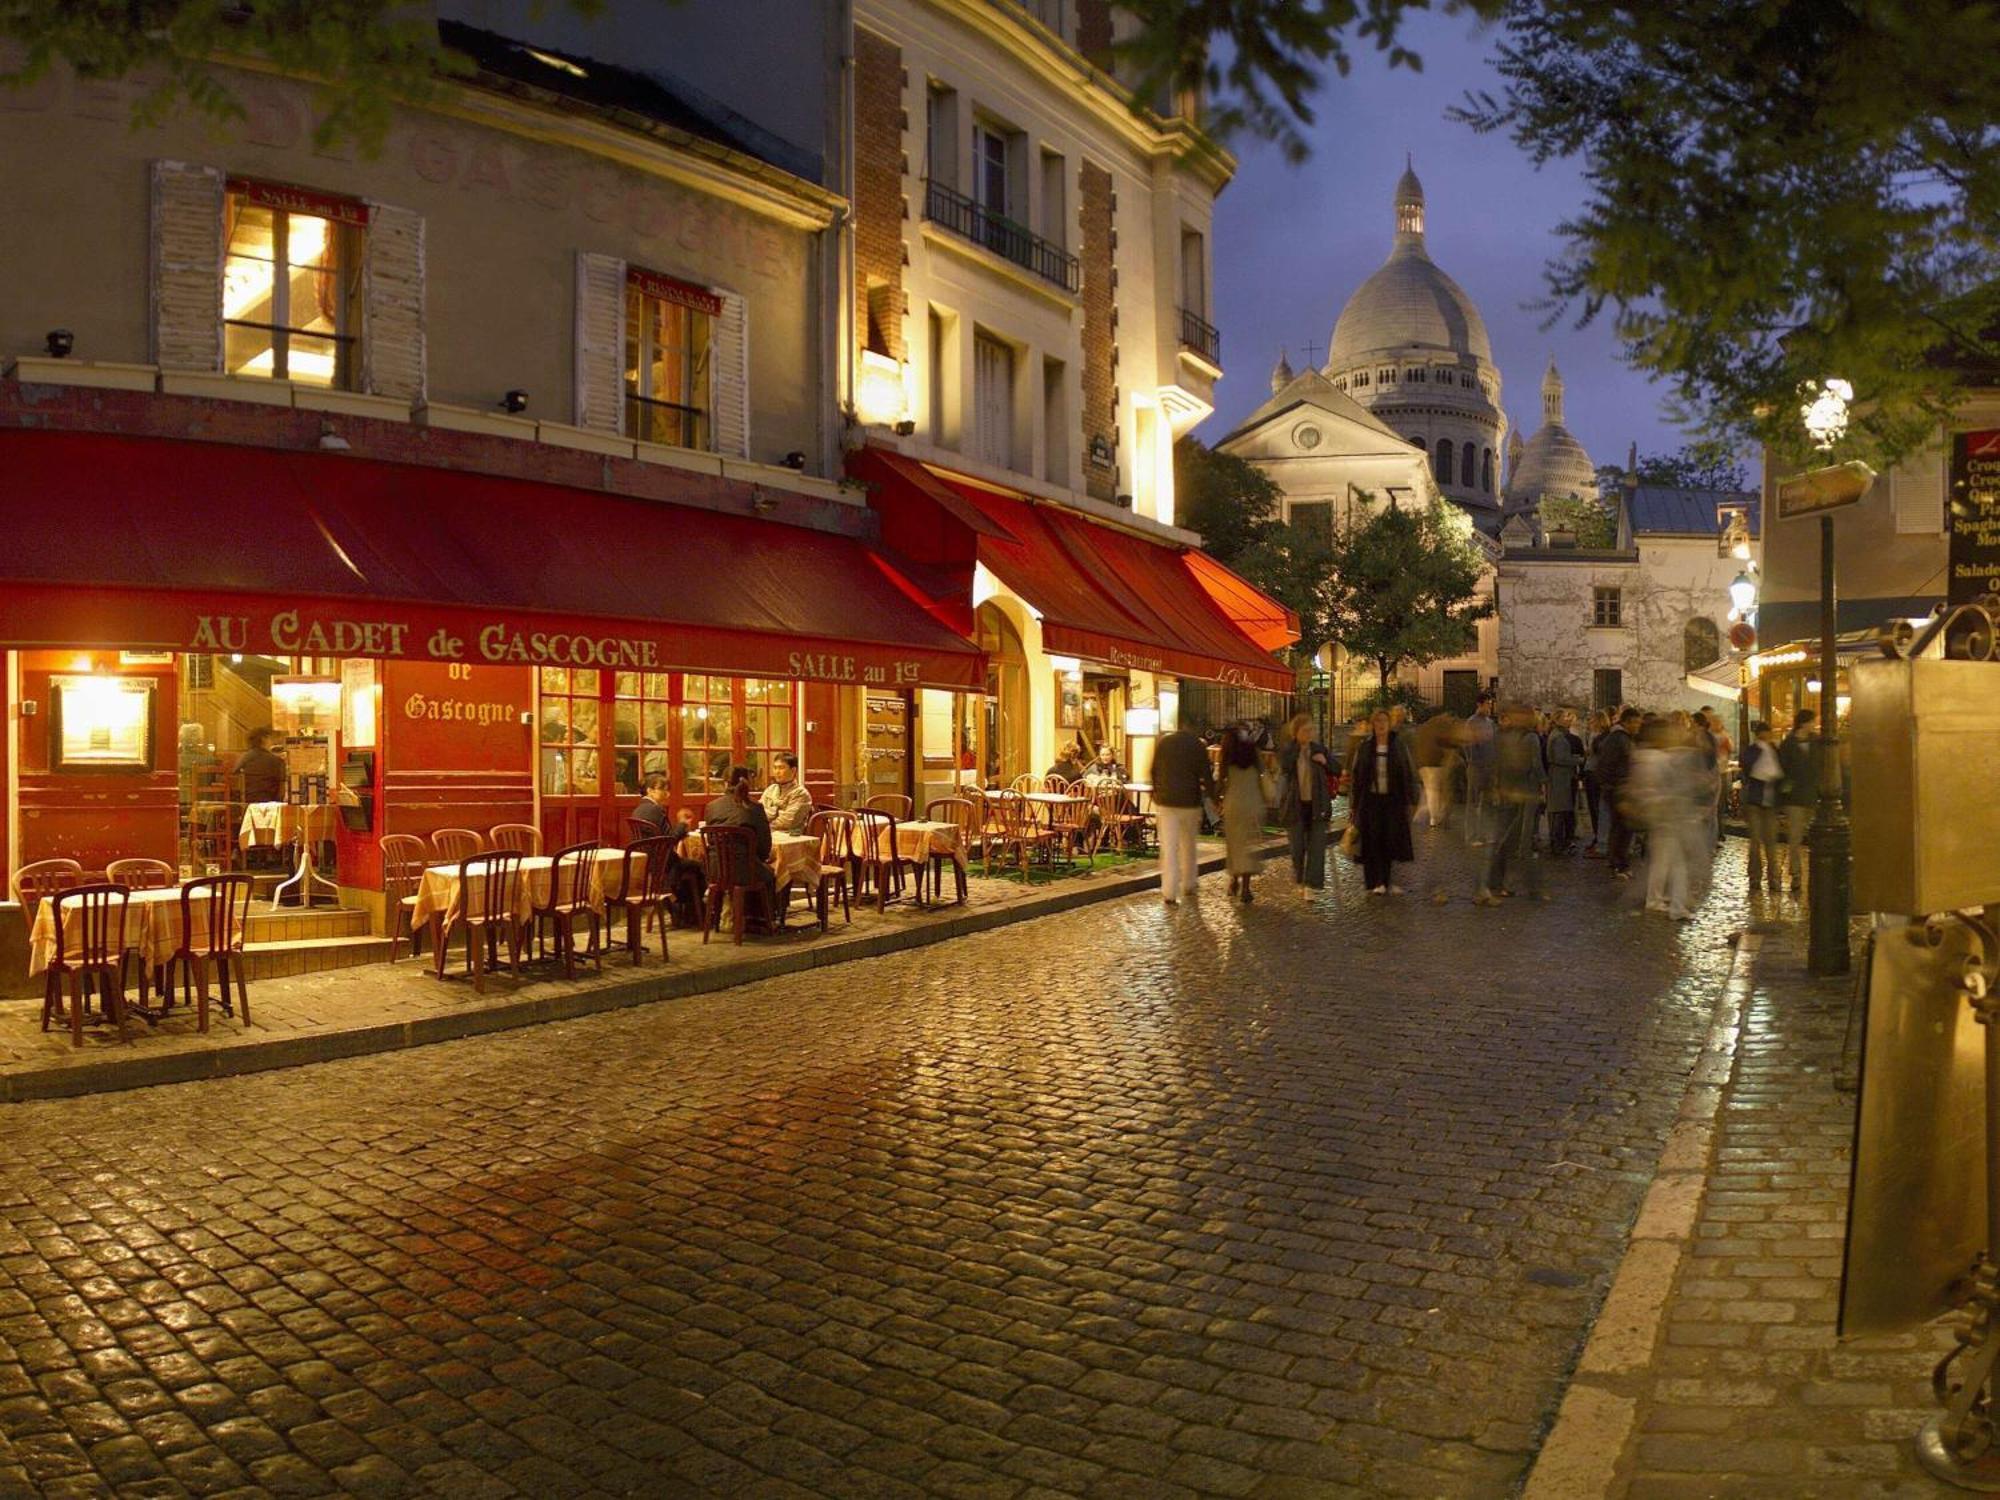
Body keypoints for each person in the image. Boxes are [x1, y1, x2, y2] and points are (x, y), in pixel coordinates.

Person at [1629, 717, 1706, 920]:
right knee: (1678, 863)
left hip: (1658, 815)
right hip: (1666, 815)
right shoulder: (1657, 759)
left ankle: (1655, 899)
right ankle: (1676, 906)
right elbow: (1663, 786)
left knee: (1662, 862)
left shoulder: (1645, 756)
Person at [1476, 706, 1548, 904]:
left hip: (1508, 793)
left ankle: (1496, 884)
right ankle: (1532, 889)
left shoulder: (1503, 737)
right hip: (1523, 794)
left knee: (1506, 840)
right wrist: (1543, 786)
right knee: (1521, 841)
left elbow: (1495, 764)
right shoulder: (1528, 738)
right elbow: (1535, 765)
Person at [1346, 709, 1418, 895]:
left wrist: (1412, 798)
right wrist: (1354, 804)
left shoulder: (1398, 745)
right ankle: (1375, 881)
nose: (1381, 724)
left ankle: (1386, 880)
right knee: (1373, 840)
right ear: (1373, 724)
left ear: (1389, 723)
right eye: (1377, 721)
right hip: (1371, 800)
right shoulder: (1366, 747)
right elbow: (1356, 775)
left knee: (1389, 839)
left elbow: (1408, 771)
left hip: (1392, 800)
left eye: (1384, 720)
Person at [1150, 720, 1215, 905]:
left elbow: (1153, 770)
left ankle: (1169, 891)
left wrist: (1156, 790)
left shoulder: (1163, 743)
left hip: (1167, 801)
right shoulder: (1197, 745)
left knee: (1169, 847)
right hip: (1190, 802)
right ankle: (1189, 883)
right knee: (1189, 845)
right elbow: (1207, 776)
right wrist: (1213, 797)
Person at [704, 766, 779, 915]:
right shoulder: (755, 808)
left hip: (715, 870)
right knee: (770, 872)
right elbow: (765, 847)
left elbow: (710, 841)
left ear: (725, 783)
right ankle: (763, 918)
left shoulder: (711, 807)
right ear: (748, 782)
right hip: (746, 871)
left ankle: (718, 915)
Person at [1275, 713, 1336, 892]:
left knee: (1316, 847)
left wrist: (1324, 761)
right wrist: (1297, 751)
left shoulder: (1319, 749)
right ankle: (1300, 877)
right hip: (1295, 805)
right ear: (1296, 732)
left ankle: (1311, 884)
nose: (1309, 734)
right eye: (1305, 730)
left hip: (1317, 804)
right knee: (1297, 847)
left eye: (1311, 730)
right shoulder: (1288, 750)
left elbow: (1336, 768)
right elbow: (1284, 767)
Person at [1219, 727, 1265, 903]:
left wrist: (1216, 798)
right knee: (1247, 845)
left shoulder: (1227, 757)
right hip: (1252, 803)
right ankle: (1246, 887)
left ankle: (1234, 880)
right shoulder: (1253, 754)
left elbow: (1221, 780)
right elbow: (1263, 774)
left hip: (1234, 804)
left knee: (1234, 845)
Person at [1596, 708, 1642, 879]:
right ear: (1627, 722)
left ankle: (1618, 861)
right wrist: (1610, 785)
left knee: (1622, 827)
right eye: (1636, 723)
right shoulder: (1618, 739)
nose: (1638, 726)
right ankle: (1618, 863)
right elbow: (1607, 764)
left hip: (1620, 787)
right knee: (1621, 827)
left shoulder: (1623, 738)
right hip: (1618, 788)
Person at [1777, 710, 1818, 896]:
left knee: (1814, 838)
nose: (1815, 724)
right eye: (1812, 721)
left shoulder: (1817, 741)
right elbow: (1782, 769)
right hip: (1794, 798)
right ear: (1804, 723)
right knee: (1795, 837)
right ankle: (1796, 874)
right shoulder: (1788, 744)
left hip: (1812, 796)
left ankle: (1812, 874)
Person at [1740, 720, 1784, 893]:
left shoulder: (1773, 750)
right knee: (1757, 842)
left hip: (1769, 802)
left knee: (1770, 843)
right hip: (1756, 801)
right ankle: (1756, 878)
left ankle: (1773, 878)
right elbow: (1749, 768)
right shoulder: (1754, 751)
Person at [1413, 711, 1460, 831]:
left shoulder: (1424, 728)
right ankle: (1435, 818)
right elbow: (1447, 742)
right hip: (1435, 763)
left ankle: (1432, 816)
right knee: (1434, 791)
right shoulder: (1439, 727)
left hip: (1424, 764)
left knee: (1430, 791)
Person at [1461, 692, 1498, 845]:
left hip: (1490, 767)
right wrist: (1473, 760)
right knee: (1473, 802)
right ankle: (1471, 836)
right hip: (1476, 767)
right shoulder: (1471, 723)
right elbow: (1467, 745)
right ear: (1480, 704)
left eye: (1490, 704)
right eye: (1488, 704)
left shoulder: (1490, 723)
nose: (1490, 707)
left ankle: (1485, 833)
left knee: (1488, 803)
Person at [1545, 710, 1581, 855]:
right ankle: (1557, 844)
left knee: (1560, 809)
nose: (1568, 719)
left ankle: (1558, 842)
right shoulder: (1559, 737)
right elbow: (1561, 758)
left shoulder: (1558, 735)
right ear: (1558, 719)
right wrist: (1578, 760)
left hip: (1562, 776)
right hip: (1561, 777)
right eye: (1565, 717)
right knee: (1560, 810)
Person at [760, 752, 813, 834]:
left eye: (781, 768)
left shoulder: (800, 793)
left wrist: (765, 824)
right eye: (775, 768)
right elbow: (759, 813)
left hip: (788, 836)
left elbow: (787, 822)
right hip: (766, 832)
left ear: (793, 770)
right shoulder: (770, 789)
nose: (777, 772)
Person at [1581, 709, 1611, 855]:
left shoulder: (1599, 737)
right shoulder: (1601, 735)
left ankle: (1599, 836)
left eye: (1592, 720)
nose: (1589, 723)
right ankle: (1598, 836)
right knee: (1595, 807)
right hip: (1593, 771)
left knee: (1596, 807)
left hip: (1593, 772)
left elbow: (1593, 753)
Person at [631, 770, 690, 842]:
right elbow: (670, 839)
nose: (667, 794)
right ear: (650, 791)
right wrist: (683, 823)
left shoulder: (638, 809)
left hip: (641, 851)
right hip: (658, 852)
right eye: (662, 790)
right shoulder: (655, 809)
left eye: (667, 790)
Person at [238, 727, 288, 805]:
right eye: (270, 738)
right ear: (264, 739)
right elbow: (283, 784)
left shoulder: (244, 757)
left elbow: (235, 773)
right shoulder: (275, 761)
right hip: (269, 801)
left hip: (246, 800)